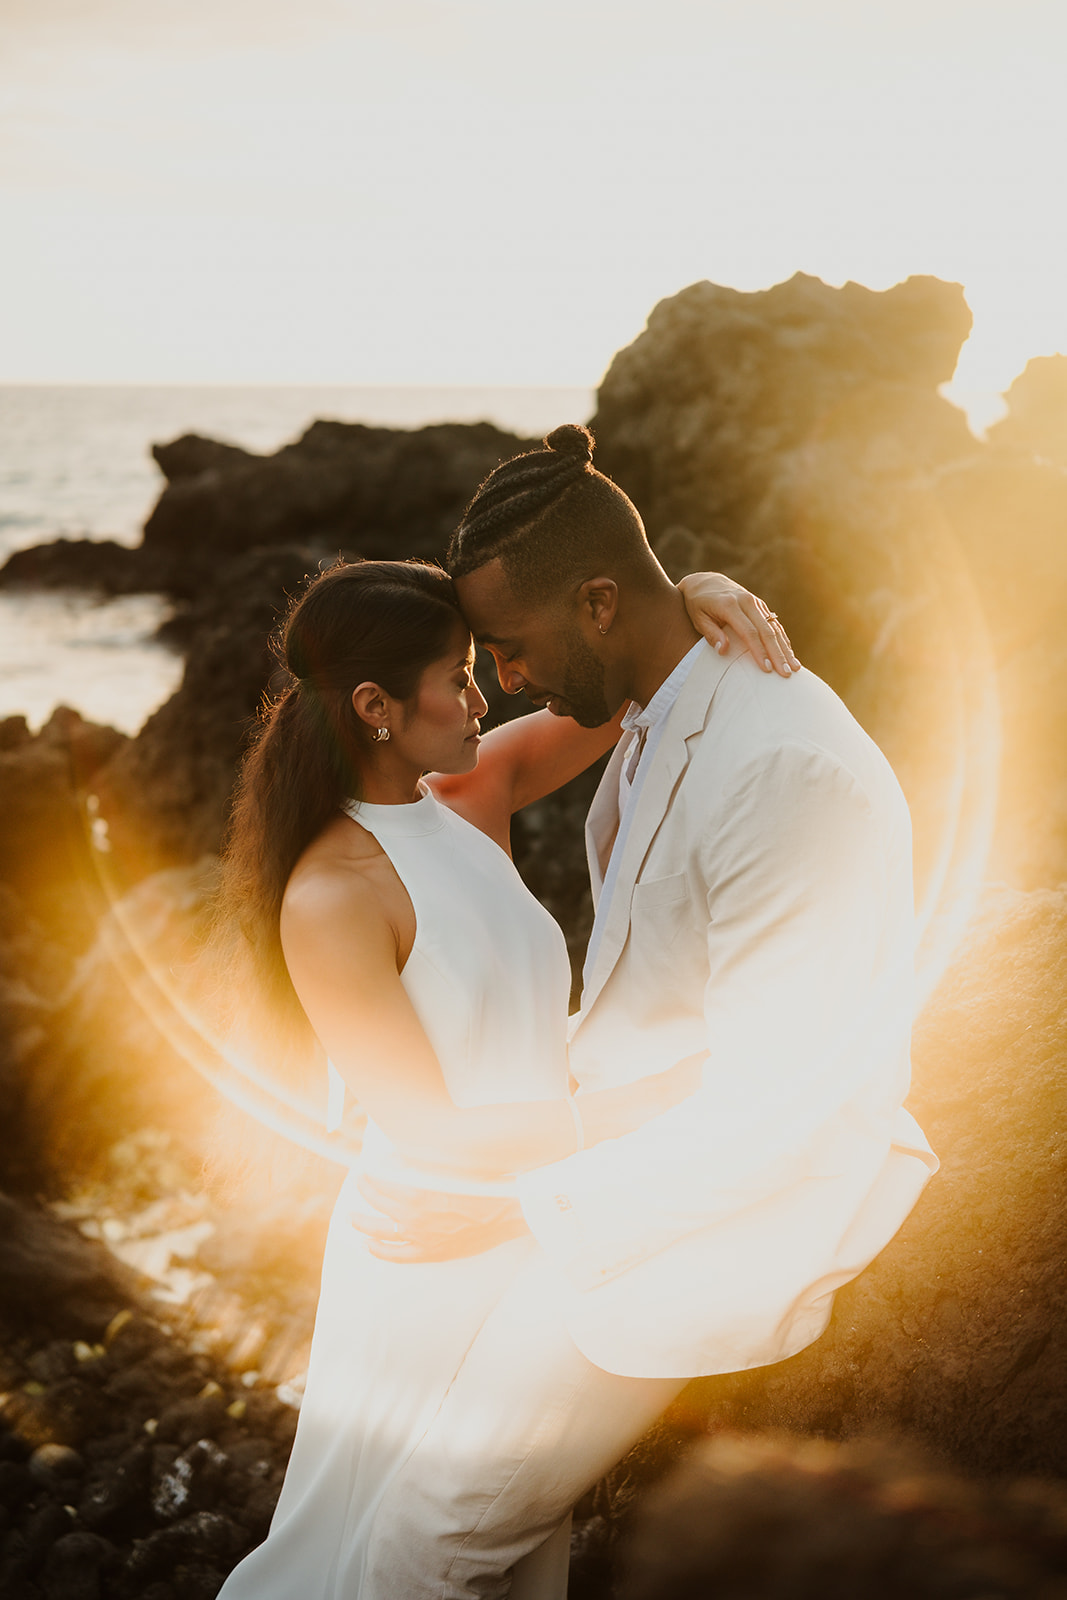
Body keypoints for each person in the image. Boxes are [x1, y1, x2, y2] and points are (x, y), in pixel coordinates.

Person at [351, 423, 938, 1596]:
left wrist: (517, 1203)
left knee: (426, 1530)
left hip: (724, 1208)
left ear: (602, 602)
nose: (503, 682)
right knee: (436, 1477)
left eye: (511, 649)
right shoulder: (657, 701)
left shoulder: (782, 766)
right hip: (618, 1159)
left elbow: (780, 1113)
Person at [213, 551, 792, 1600]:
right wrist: (661, 1101)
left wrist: (693, 593)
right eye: (459, 678)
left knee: (516, 1548)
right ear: (375, 706)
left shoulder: (466, 788)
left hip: (534, 1217)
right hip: (431, 1250)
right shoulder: (333, 896)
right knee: (378, 1557)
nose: (489, 696)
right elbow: (429, 1132)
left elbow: (632, 697)